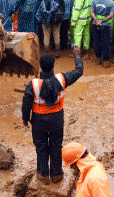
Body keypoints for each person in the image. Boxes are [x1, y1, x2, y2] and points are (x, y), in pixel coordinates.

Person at [22, 47, 84, 184]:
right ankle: (57, 175)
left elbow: (26, 103)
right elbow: (79, 71)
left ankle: (43, 175)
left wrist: (25, 119)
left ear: (41, 67)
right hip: (57, 121)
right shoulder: (62, 79)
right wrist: (77, 55)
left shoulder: (33, 85)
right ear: (53, 66)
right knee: (56, 147)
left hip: (38, 122)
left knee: (41, 148)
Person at [89, 0, 114, 66]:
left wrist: (96, 20)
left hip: (96, 24)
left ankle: (98, 58)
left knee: (96, 41)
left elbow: (92, 12)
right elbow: (111, 15)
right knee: (106, 42)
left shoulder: (95, 0)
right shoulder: (111, 2)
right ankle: (106, 61)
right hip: (106, 25)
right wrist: (102, 21)